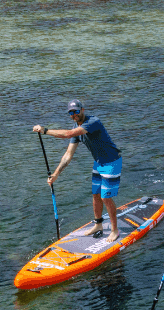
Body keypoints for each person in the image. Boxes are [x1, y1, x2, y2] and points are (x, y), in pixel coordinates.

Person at [34, 100, 123, 243]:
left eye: (76, 111)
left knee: (105, 197)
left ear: (82, 110)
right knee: (95, 195)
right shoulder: (76, 128)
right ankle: (98, 224)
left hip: (112, 161)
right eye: (71, 113)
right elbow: (68, 155)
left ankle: (114, 230)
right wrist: (56, 174)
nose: (74, 115)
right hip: (99, 162)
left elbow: (68, 134)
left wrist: (45, 130)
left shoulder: (93, 122)